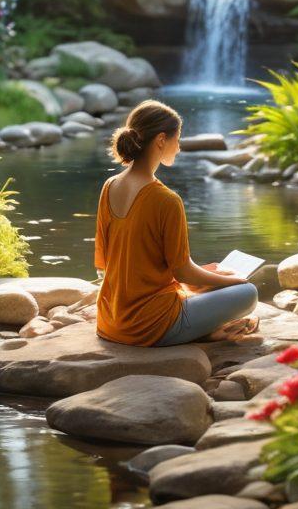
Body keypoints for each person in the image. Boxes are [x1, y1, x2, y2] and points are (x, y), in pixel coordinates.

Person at [94, 100, 259, 347]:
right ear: (161, 140)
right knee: (248, 293)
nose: (179, 147)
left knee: (213, 277)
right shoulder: (166, 200)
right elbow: (182, 272)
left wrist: (207, 274)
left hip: (110, 319)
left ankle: (207, 331)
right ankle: (203, 332)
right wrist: (232, 281)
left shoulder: (109, 187)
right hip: (149, 326)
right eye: (177, 139)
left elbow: (105, 264)